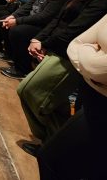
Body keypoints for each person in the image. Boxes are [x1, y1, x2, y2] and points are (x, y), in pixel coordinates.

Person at [16, 0, 107, 150]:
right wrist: (39, 39)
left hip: (67, 55)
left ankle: (53, 143)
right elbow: (60, 18)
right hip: (60, 47)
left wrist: (46, 43)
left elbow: (77, 28)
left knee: (30, 91)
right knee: (48, 100)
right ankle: (52, 140)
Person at [36, 13, 107, 180]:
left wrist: (92, 51)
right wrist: (93, 57)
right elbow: (76, 44)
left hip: (102, 108)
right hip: (91, 97)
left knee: (52, 160)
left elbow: (98, 69)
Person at [0, 0, 78, 78]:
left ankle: (23, 69)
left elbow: (45, 17)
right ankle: (11, 55)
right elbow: (29, 4)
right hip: (34, 18)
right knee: (5, 19)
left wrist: (18, 21)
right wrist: (14, 16)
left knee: (18, 31)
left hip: (46, 26)